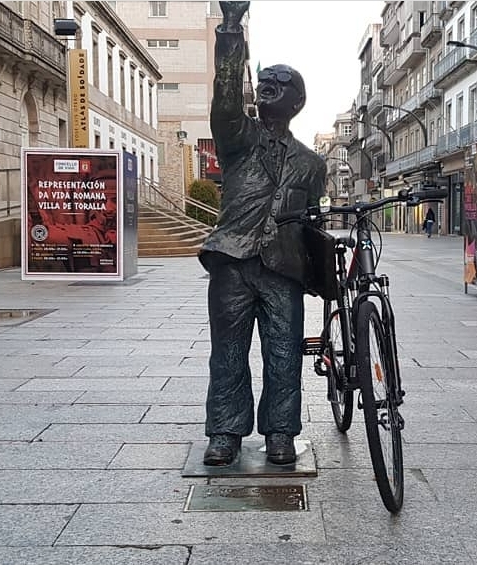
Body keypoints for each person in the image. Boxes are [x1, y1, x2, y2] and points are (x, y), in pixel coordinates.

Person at [197, 1, 326, 467]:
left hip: (283, 268)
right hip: (232, 260)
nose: (269, 84)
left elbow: (313, 221)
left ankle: (280, 432)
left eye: (282, 82)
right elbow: (227, 98)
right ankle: (226, 432)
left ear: (298, 102)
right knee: (228, 352)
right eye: (264, 79)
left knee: (284, 351)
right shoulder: (237, 137)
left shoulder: (313, 163)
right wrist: (232, 27)